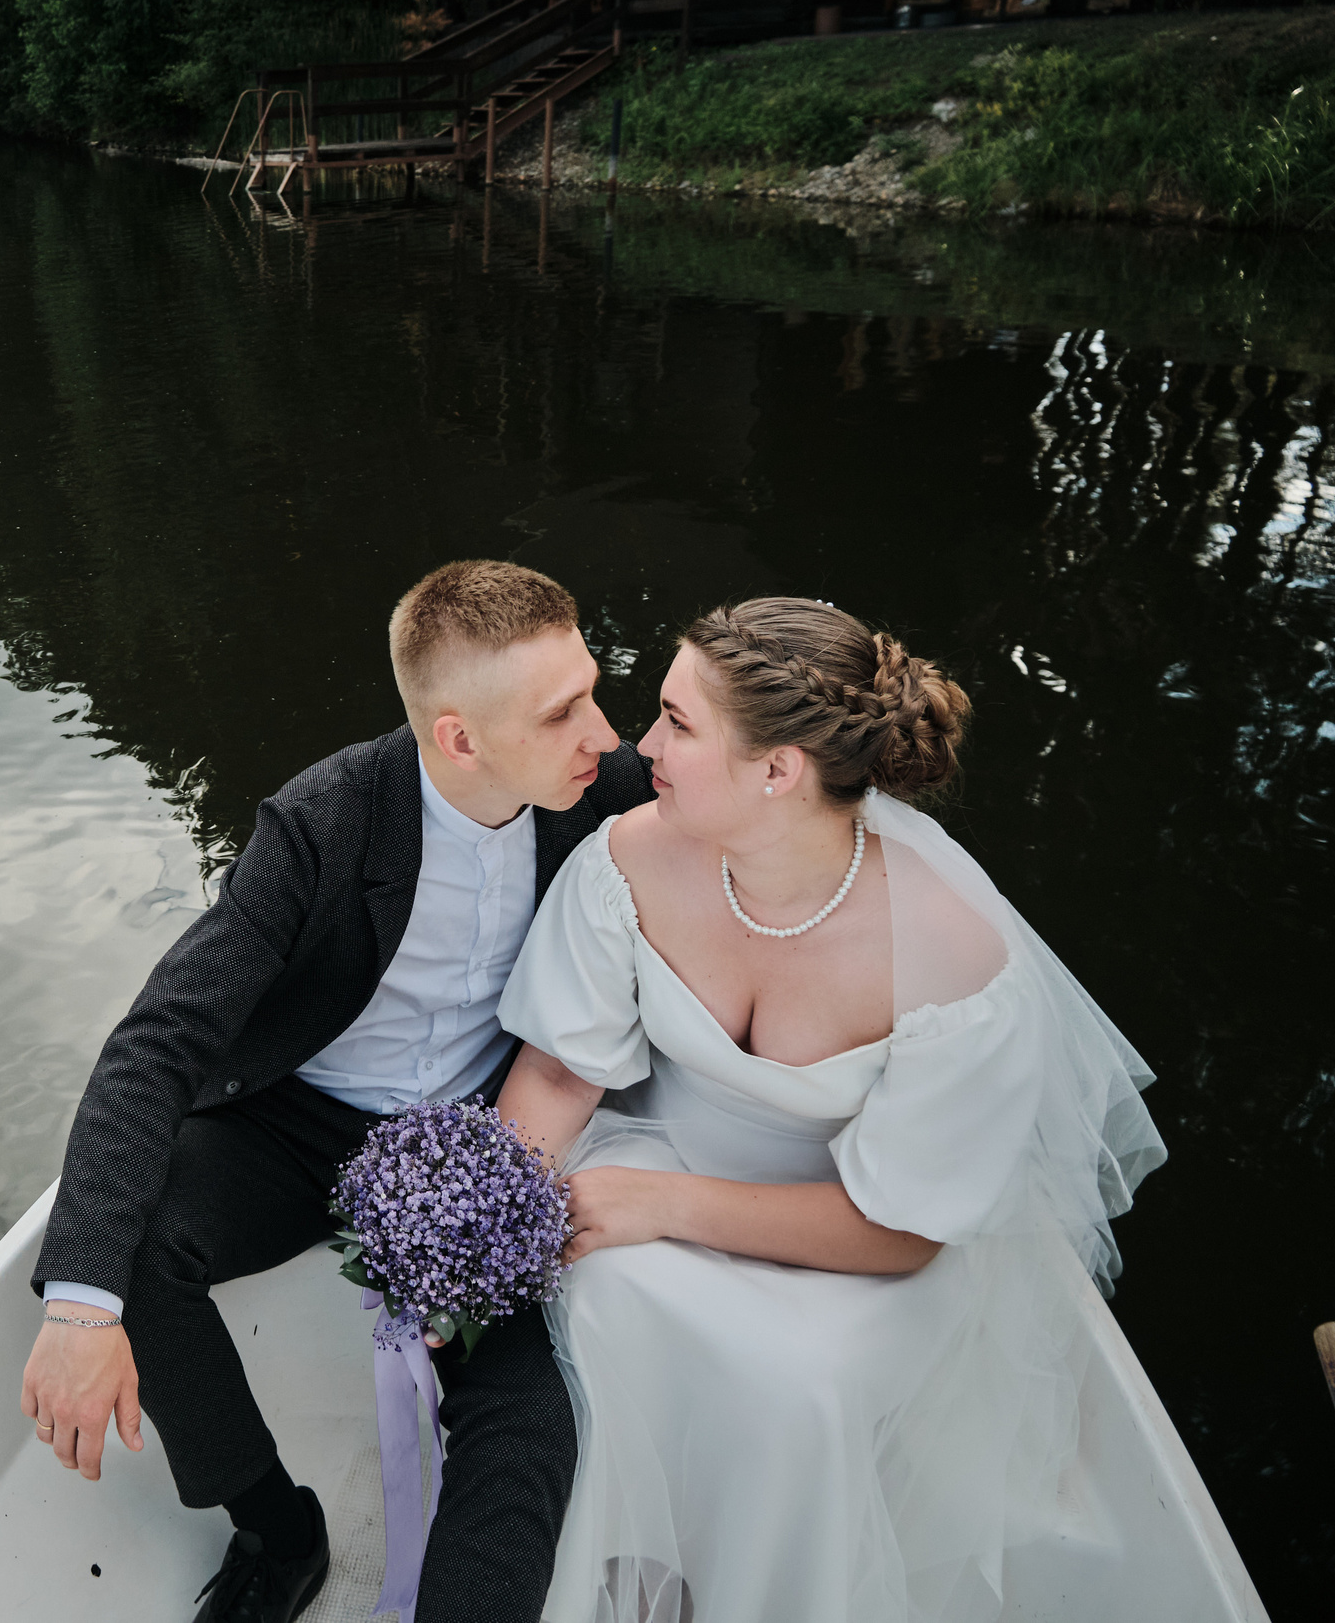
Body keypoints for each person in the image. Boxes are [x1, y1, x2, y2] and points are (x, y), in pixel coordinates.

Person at [496, 598, 1167, 1623]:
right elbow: (556, 1077)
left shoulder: (951, 957)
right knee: (608, 1293)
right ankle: (628, 1580)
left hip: (863, 1242)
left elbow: (902, 1235)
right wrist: (481, 1221)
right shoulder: (629, 860)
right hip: (665, 1159)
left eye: (677, 724)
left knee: (797, 1384)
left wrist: (661, 1205)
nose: (641, 746)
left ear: (778, 771)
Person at [22, 560, 654, 1623]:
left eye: (593, 689)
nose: (604, 731)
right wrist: (82, 1310)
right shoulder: (321, 824)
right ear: (458, 738)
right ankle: (281, 1528)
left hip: (472, 1140)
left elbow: (751, 800)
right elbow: (157, 1043)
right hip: (295, 1122)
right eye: (564, 712)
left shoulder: (606, 793)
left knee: (527, 1414)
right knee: (122, 1252)